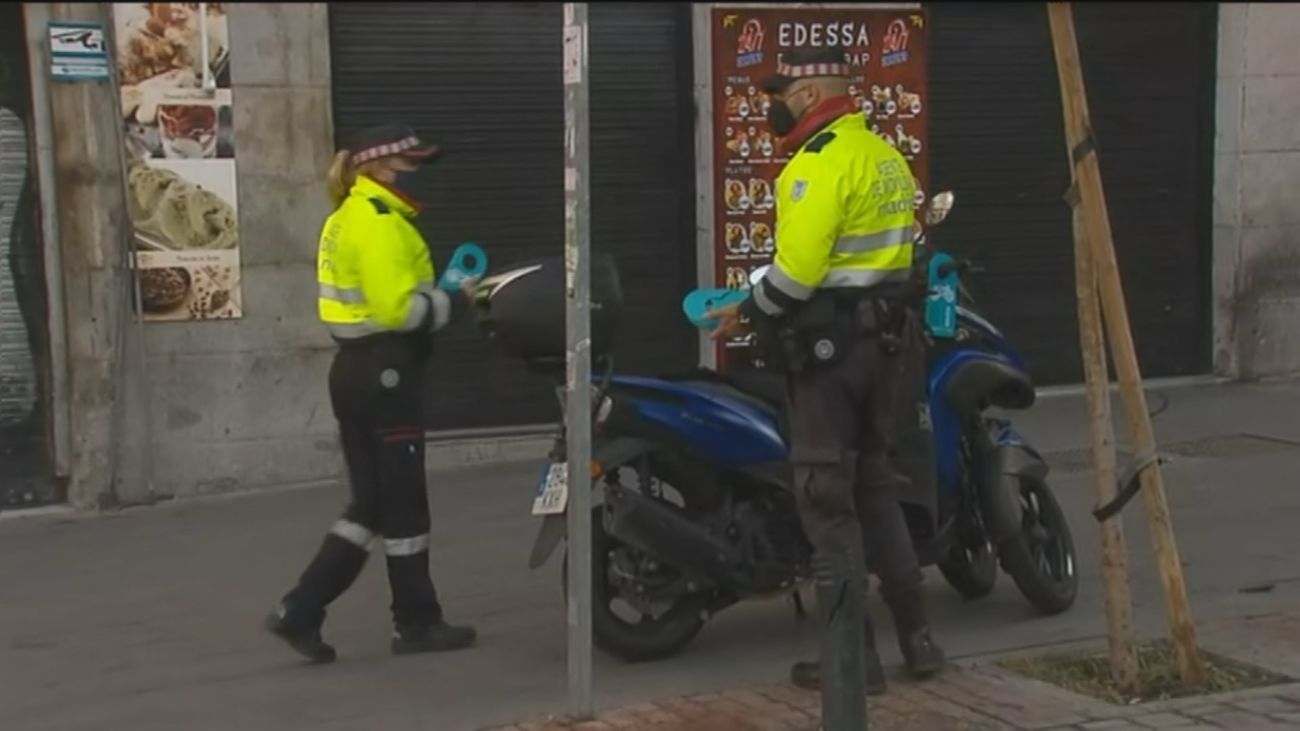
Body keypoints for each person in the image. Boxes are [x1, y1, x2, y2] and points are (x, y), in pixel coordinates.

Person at [708, 48, 945, 695]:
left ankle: (852, 661)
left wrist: (743, 312)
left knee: (825, 499)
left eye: (781, 92)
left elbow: (797, 275)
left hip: (830, 356)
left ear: (809, 93)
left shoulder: (816, 165)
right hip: (887, 349)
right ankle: (919, 639)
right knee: (875, 485)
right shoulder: (885, 155)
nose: (772, 105)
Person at [264, 123, 478, 663]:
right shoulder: (380, 224)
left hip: (353, 373)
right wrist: (456, 301)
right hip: (388, 375)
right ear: (378, 167)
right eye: (409, 162)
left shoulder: (344, 218)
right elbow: (397, 311)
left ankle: (301, 610)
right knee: (403, 507)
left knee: (370, 505)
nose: (416, 171)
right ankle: (417, 623)